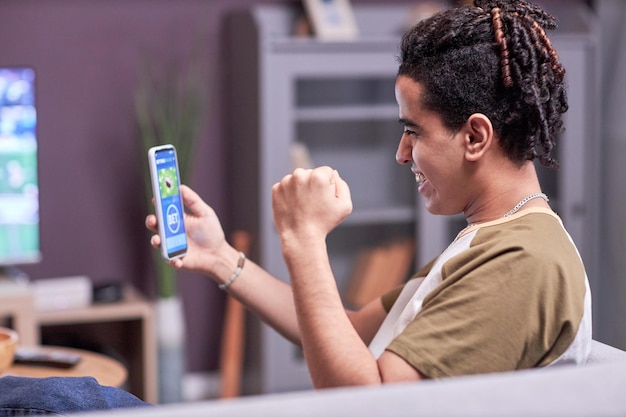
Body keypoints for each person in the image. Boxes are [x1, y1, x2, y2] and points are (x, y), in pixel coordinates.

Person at [146, 0, 591, 388]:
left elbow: (371, 402)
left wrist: (303, 240)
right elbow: (352, 331)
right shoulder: (495, 239)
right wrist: (222, 258)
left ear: (475, 136)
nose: (402, 154)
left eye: (413, 132)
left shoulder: (522, 261)